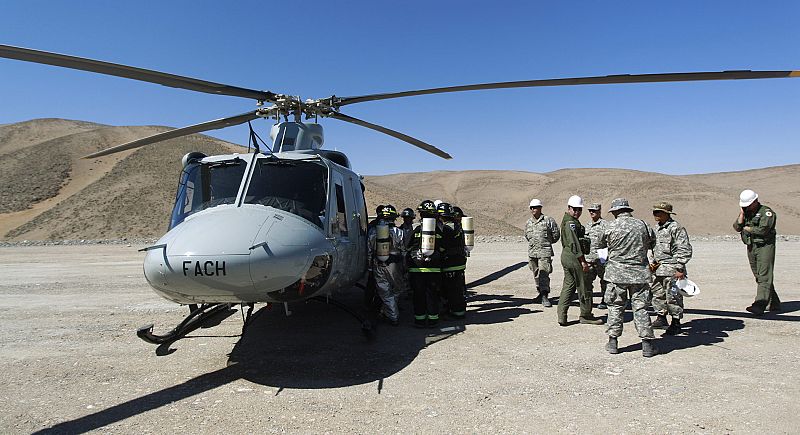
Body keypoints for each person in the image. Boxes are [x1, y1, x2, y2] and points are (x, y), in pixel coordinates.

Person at [597, 198, 659, 357]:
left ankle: (613, 342)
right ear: (628, 210)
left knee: (615, 307)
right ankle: (647, 345)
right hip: (639, 275)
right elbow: (652, 241)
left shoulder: (609, 226)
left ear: (615, 212)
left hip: (616, 275)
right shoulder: (643, 225)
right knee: (640, 308)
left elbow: (600, 244)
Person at [733, 189, 780, 315]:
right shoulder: (746, 212)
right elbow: (737, 227)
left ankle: (759, 304)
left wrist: (747, 228)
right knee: (759, 276)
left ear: (755, 201)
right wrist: (741, 216)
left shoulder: (766, 213)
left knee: (764, 275)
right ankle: (774, 302)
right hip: (751, 246)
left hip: (764, 246)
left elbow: (763, 230)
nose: (746, 207)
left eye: (748, 204)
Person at [558, 196, 603, 326]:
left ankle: (562, 316)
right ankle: (586, 315)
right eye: (575, 209)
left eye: (579, 210)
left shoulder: (569, 221)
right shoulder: (570, 223)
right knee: (584, 287)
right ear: (569, 208)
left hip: (567, 256)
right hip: (574, 257)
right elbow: (575, 244)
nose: (577, 212)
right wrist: (583, 261)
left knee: (569, 286)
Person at [649, 201, 693, 335]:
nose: (655, 214)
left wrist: (680, 268)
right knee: (658, 294)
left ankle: (676, 322)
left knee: (674, 296)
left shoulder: (676, 228)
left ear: (666, 214)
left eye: (659, 212)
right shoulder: (656, 229)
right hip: (658, 269)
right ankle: (661, 318)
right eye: (654, 212)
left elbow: (684, 248)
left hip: (673, 270)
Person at [407, 200, 449, 328]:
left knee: (418, 295)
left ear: (420, 214)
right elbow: (444, 247)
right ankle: (433, 320)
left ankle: (419, 320)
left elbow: (407, 245)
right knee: (432, 295)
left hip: (417, 269)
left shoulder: (415, 228)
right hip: (434, 269)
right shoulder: (439, 230)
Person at [366, 205, 405, 325]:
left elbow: (369, 251)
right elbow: (403, 250)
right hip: (395, 265)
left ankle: (387, 312)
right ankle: (393, 316)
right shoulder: (399, 232)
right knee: (398, 288)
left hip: (378, 264)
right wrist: (404, 266)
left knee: (384, 290)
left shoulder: (373, 231)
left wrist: (369, 267)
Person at [524, 199, 560, 307]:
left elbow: (556, 235)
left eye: (535, 207)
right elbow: (527, 236)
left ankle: (545, 296)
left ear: (540, 208)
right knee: (536, 273)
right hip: (532, 252)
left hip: (544, 252)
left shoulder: (548, 220)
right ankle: (540, 293)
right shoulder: (528, 223)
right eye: (532, 208)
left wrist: (546, 243)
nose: (533, 210)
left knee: (544, 273)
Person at [438, 202, 467, 320]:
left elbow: (443, 246)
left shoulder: (446, 229)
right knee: (458, 289)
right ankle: (459, 311)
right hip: (460, 263)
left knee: (451, 290)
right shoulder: (457, 226)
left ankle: (456, 313)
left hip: (450, 263)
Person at [585, 203, 610, 309]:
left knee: (604, 280)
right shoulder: (587, 225)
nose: (591, 212)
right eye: (590, 210)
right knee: (587, 280)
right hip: (589, 257)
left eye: (594, 211)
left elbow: (609, 241)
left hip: (601, 257)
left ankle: (605, 300)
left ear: (599, 212)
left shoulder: (606, 225)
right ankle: (588, 301)